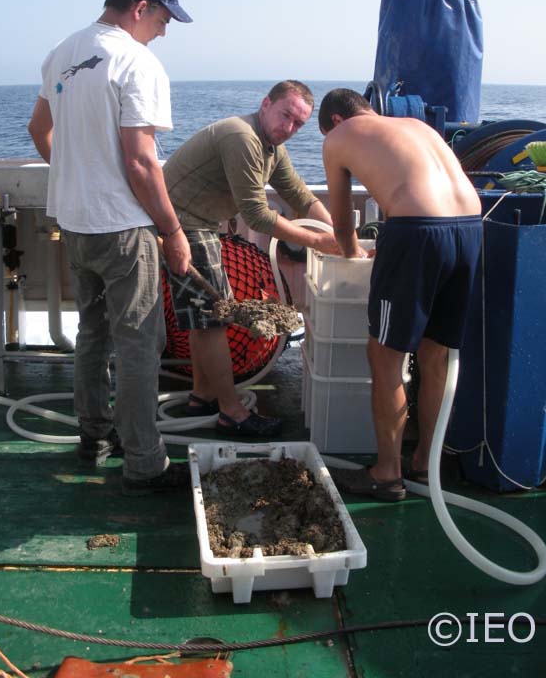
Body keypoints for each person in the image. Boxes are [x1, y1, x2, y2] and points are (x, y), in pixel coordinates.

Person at [27, 0, 193, 496]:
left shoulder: (62, 51)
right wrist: (172, 231)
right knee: (140, 343)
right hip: (123, 229)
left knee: (92, 335)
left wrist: (76, 177)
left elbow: (38, 129)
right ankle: (144, 462)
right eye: (164, 18)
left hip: (75, 224)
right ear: (140, 7)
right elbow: (142, 163)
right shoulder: (136, 61)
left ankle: (93, 437)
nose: (165, 31)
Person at [319, 88, 482, 501]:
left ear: (336, 121)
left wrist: (354, 253)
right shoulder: (415, 126)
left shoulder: (338, 137)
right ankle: (426, 464)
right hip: (471, 226)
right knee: (436, 352)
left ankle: (386, 473)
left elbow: (342, 224)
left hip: (417, 234)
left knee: (385, 355)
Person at [163, 80, 340, 436]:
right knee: (214, 319)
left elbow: (300, 196)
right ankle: (231, 412)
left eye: (298, 124)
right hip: (181, 225)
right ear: (265, 104)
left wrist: (339, 233)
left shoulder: (271, 147)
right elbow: (257, 216)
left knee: (203, 318)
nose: (288, 127)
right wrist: (321, 242)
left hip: (199, 225)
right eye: (285, 115)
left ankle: (202, 395)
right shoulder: (242, 136)